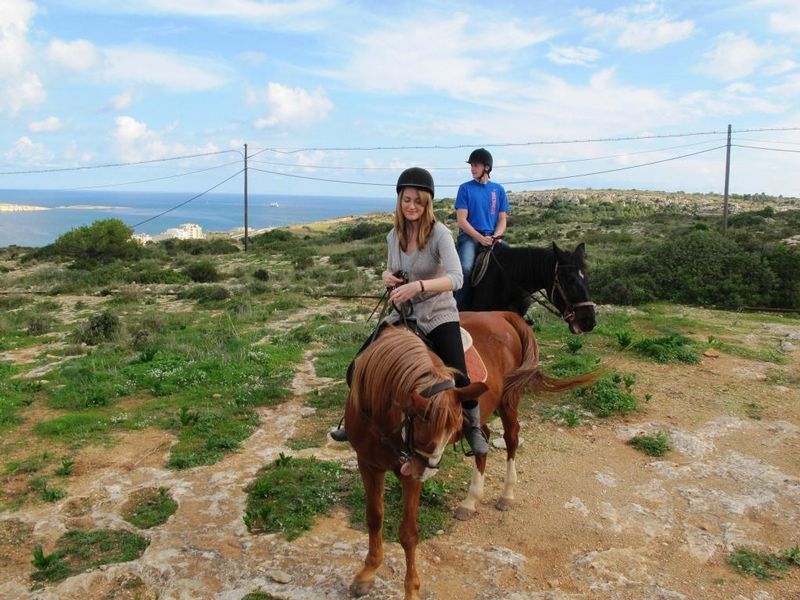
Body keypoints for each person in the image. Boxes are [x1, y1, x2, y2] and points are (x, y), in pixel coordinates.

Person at [330, 167, 488, 457]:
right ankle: (356, 421)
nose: (412, 206)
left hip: (438, 313)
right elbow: (392, 268)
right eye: (406, 199)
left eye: (418, 200)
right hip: (403, 315)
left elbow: (456, 278)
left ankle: (473, 427)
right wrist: (386, 277)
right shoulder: (394, 235)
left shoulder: (440, 234)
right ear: (399, 201)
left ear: (427, 203)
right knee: (357, 367)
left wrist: (418, 287)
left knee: (460, 376)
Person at [453, 148, 509, 311]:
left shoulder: (498, 190)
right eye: (471, 165)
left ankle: (515, 308)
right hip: (470, 237)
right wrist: (480, 238)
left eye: (476, 165)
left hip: (492, 237)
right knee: (466, 268)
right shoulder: (465, 188)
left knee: (512, 263)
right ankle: (459, 309)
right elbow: (461, 221)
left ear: (486, 167)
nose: (472, 168)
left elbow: (502, 219)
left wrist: (496, 236)